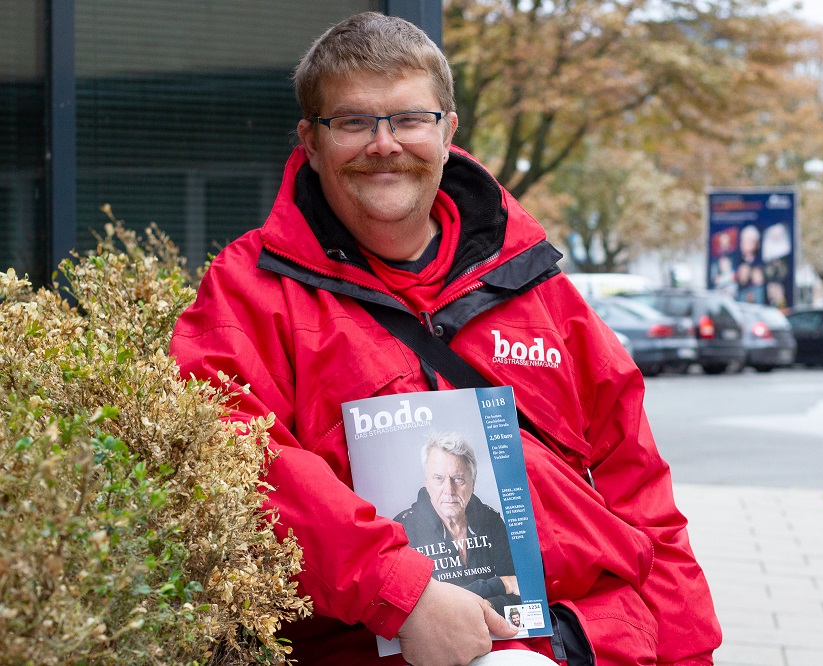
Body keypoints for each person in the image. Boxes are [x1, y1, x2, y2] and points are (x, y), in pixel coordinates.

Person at [170, 11, 721, 666]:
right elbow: (238, 460)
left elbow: (645, 505)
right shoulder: (248, 294)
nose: (384, 143)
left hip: (590, 643)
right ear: (311, 143)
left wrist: (687, 658)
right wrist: (401, 594)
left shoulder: (544, 295)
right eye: (352, 122)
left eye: (408, 118)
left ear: (447, 130)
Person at [394, 433, 520, 614]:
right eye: (438, 478)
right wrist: (501, 584)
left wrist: (487, 607)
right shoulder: (403, 530)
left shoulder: (492, 521)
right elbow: (423, 609)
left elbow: (521, 593)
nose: (449, 490)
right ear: (426, 482)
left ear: (473, 483)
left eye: (458, 478)